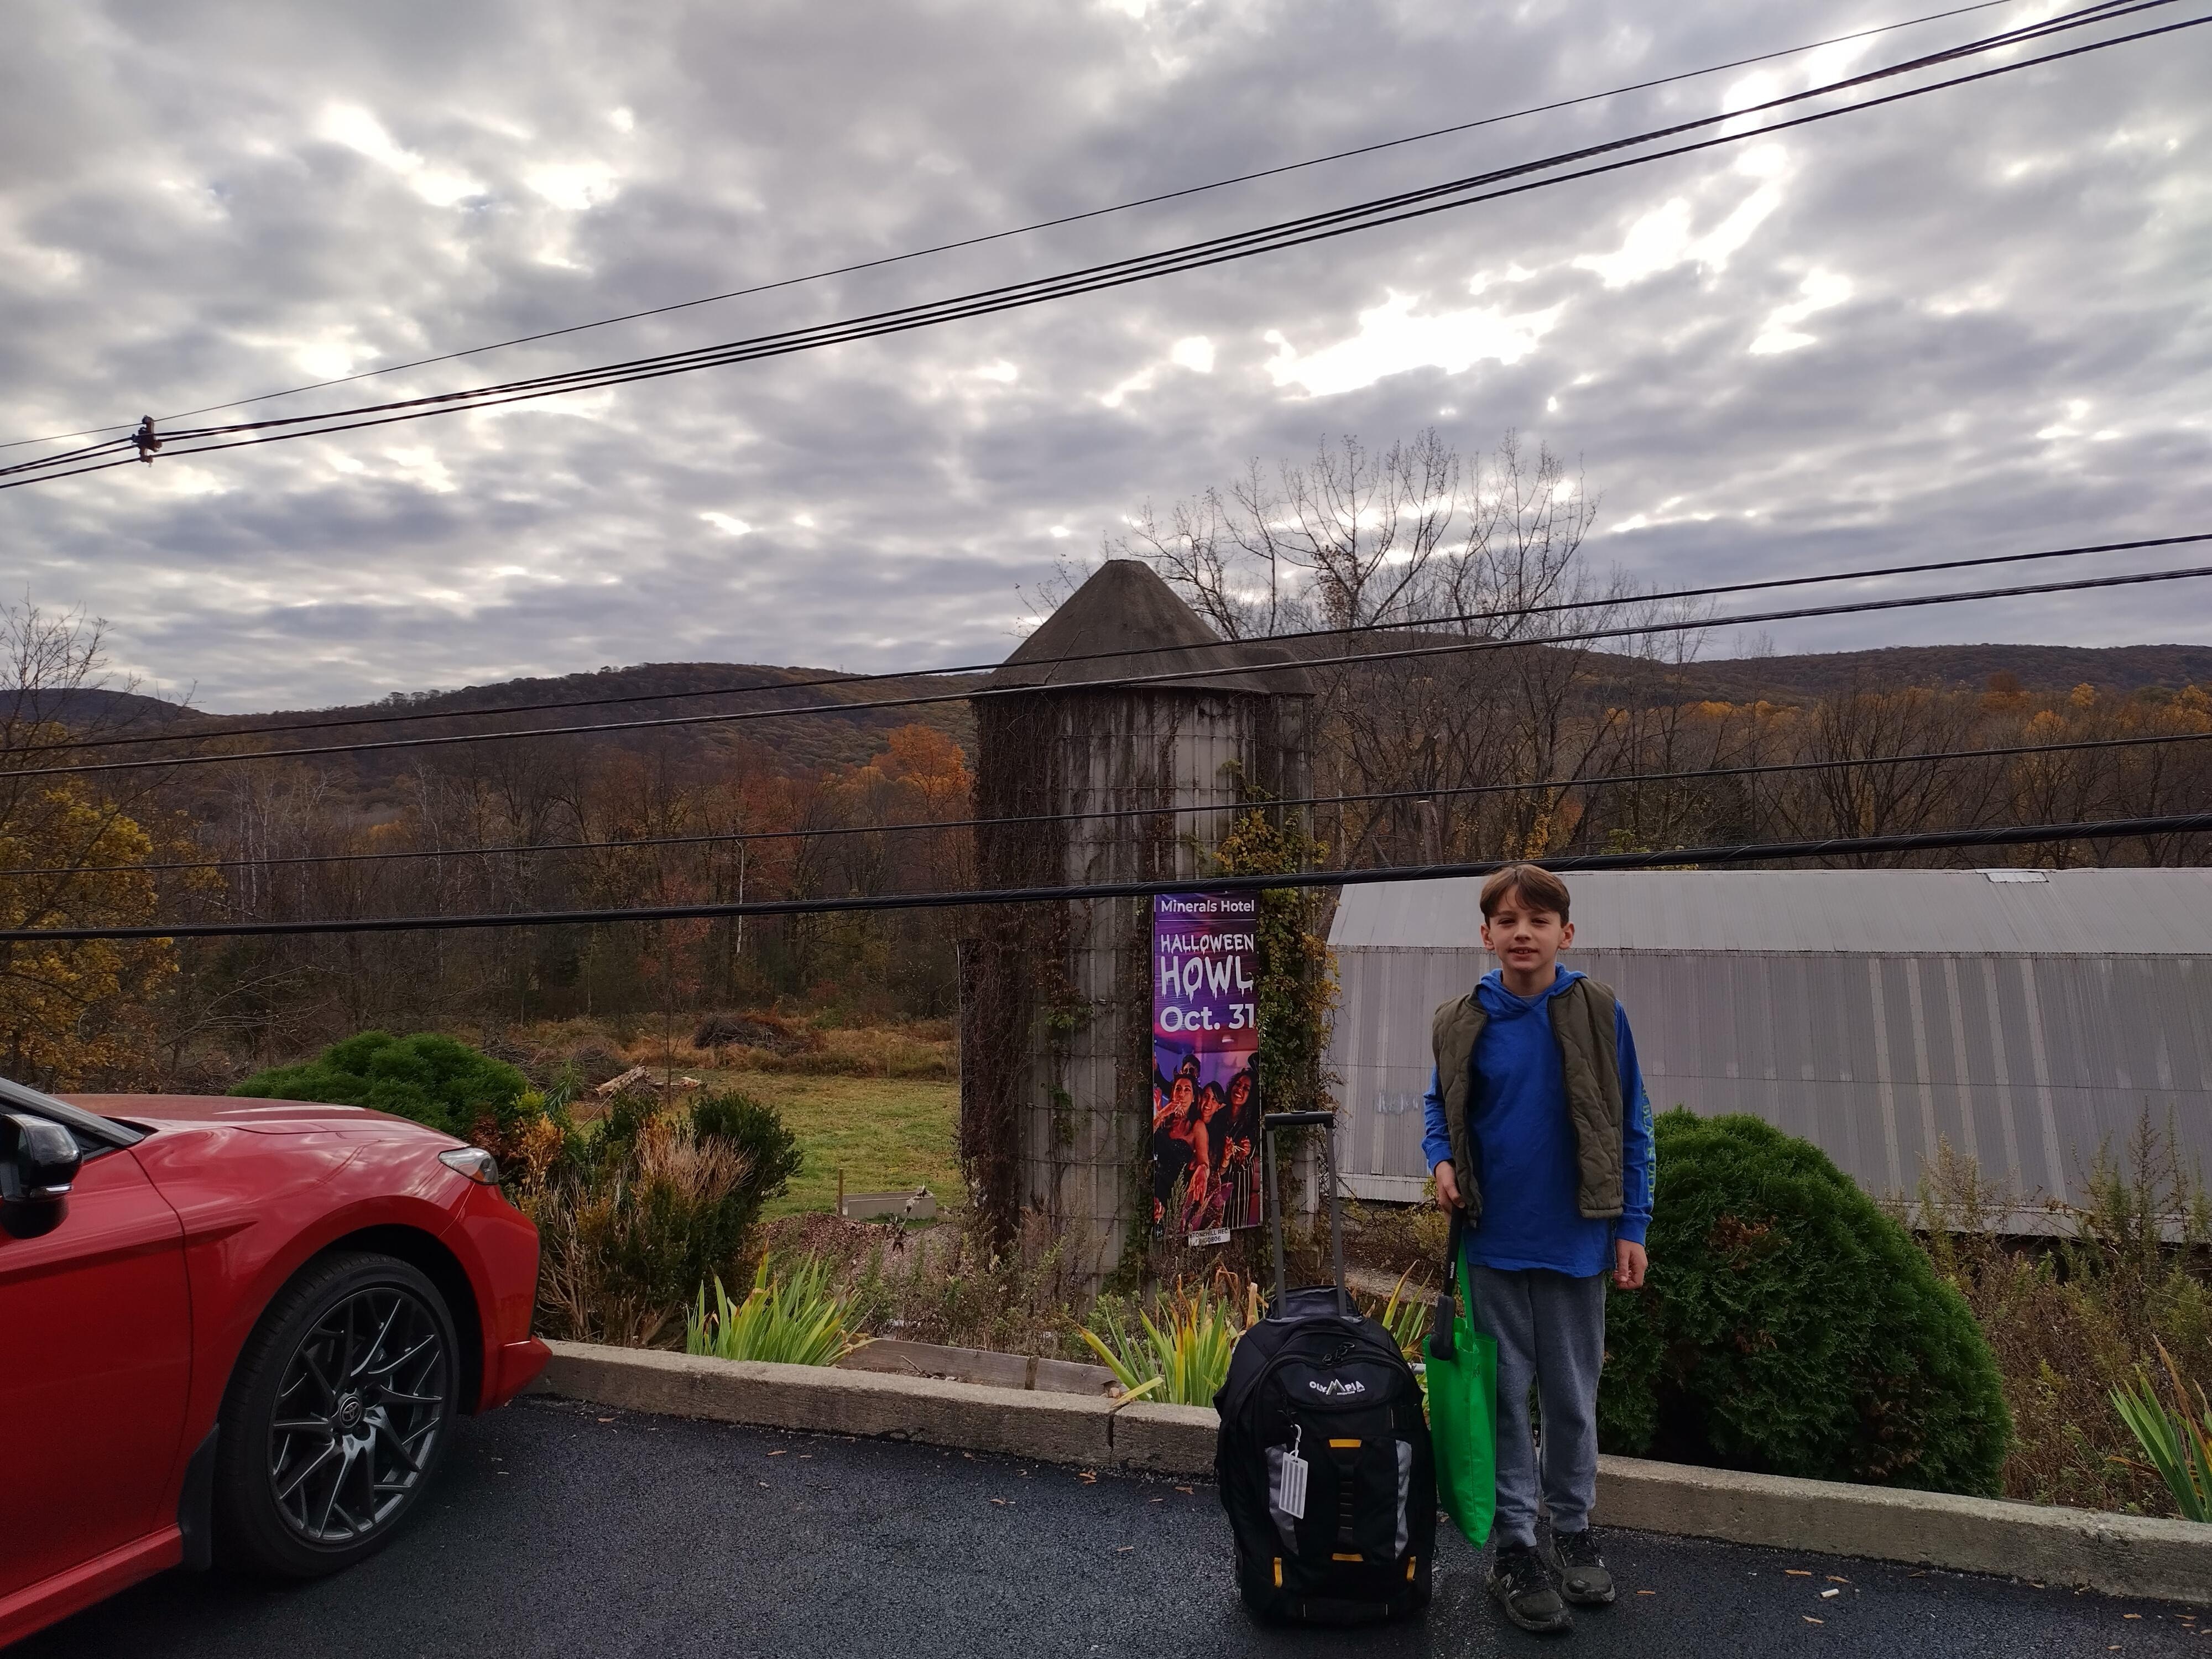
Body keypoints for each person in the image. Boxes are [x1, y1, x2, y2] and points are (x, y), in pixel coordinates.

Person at [1421, 862, 1654, 1636]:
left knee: (1570, 1401)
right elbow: (1438, 1109)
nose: (1523, 933)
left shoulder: (1597, 1011)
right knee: (1503, 1400)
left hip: (1579, 1241)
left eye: (1539, 920)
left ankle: (1574, 1530)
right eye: (1508, 921)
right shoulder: (1462, 1019)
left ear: (1566, 933)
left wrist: (1632, 1227)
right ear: (1485, 935)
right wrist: (1442, 1162)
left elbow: (1632, 1125)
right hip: (1492, 1243)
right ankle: (1515, 1549)